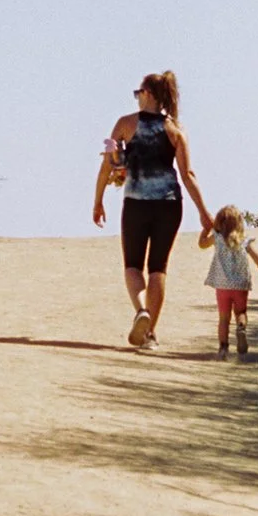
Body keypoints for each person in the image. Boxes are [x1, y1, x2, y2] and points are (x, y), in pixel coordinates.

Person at [93, 71, 212, 349]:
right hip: (170, 204)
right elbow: (188, 174)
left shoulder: (125, 124)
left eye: (138, 94)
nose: (136, 99)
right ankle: (150, 335)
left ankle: (141, 311)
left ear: (147, 94)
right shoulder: (175, 130)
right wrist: (205, 213)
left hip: (136, 203)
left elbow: (108, 165)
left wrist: (97, 200)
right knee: (158, 269)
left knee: (133, 265)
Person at [198, 205, 258, 356]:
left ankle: (223, 348)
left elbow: (202, 244)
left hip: (222, 286)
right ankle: (241, 327)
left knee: (224, 318)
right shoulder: (244, 241)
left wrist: (206, 229)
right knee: (241, 312)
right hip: (241, 285)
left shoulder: (217, 238)